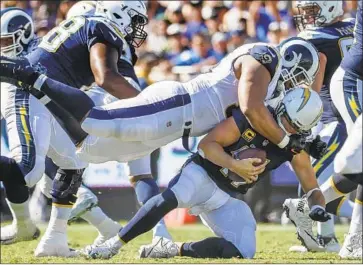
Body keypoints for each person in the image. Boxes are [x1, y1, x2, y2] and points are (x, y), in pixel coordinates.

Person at [78, 87, 331, 260]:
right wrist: (234, 165)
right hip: (202, 173)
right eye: (286, 121)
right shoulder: (253, 118)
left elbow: (313, 190)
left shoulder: (296, 149)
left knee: (244, 251)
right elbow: (206, 145)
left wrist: (318, 208)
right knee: (170, 199)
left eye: (295, 127)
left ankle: (171, 249)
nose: (287, 129)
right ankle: (113, 245)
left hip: (227, 196)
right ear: (281, 109)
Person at [0, 37, 324, 169]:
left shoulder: (272, 89)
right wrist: (286, 139)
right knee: (97, 120)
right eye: (298, 77)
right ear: (293, 64)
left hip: (175, 128)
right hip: (177, 103)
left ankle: (39, 92)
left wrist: (302, 141)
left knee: (91, 150)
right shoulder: (264, 57)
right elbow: (252, 109)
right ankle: (28, 75)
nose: (294, 85)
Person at [1, 0, 167, 258]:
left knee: (72, 161)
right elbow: (106, 78)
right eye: (135, 20)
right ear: (120, 14)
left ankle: (55, 239)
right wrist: (151, 107)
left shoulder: (90, 25)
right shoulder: (103, 27)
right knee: (29, 174)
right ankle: (24, 226)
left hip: (43, 95)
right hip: (27, 90)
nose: (137, 28)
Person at [284, 1, 363, 259]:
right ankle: (325, 236)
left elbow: (309, 83)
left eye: (311, 10)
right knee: (316, 183)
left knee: (314, 184)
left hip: (332, 117)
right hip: (343, 109)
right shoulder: (351, 27)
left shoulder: (314, 38)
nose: (307, 16)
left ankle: (325, 232)